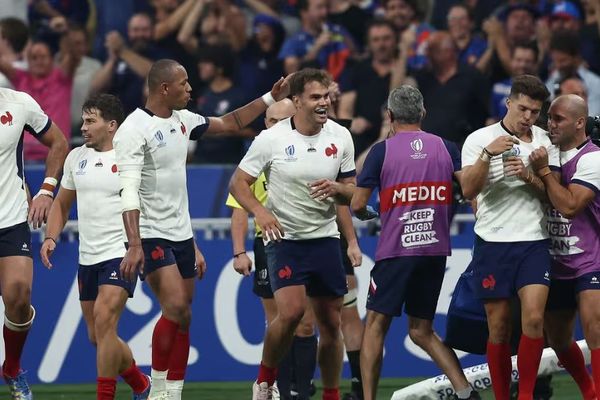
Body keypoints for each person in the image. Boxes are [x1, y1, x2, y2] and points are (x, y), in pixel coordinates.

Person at [113, 58, 290, 400]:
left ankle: (173, 391)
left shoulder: (183, 121)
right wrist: (134, 244)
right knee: (176, 307)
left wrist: (268, 99)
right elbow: (129, 191)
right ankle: (159, 387)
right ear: (164, 88)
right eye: (184, 83)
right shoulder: (134, 129)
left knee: (184, 315)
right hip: (150, 233)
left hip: (181, 233)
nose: (190, 89)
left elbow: (231, 121)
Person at [229, 68, 356, 400]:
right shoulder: (271, 139)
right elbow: (237, 184)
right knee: (291, 312)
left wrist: (339, 189)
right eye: (315, 97)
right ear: (296, 100)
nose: (323, 102)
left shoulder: (341, 136)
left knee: (330, 325)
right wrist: (260, 211)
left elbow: (353, 193)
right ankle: (265, 380)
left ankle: (330, 393)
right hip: (285, 241)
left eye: (326, 96)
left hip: (326, 239)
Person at [350, 85, 478, 400]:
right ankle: (465, 392)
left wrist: (372, 211)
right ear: (422, 113)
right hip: (434, 250)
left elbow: (356, 205)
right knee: (422, 330)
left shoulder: (382, 151)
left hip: (396, 250)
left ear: (389, 116)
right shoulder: (448, 148)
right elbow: (469, 189)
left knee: (375, 326)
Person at [40, 94, 152, 400]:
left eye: (91, 121)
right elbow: (62, 205)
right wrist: (51, 236)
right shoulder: (77, 158)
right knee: (98, 336)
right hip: (87, 257)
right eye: (84, 120)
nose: (84, 126)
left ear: (112, 125)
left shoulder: (132, 158)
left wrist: (138, 244)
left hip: (121, 253)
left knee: (104, 321)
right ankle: (141, 384)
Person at [460, 74, 559, 400]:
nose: (528, 117)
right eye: (523, 108)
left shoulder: (545, 141)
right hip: (493, 242)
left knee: (533, 319)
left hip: (534, 241)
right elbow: (468, 190)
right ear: (508, 102)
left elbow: (555, 196)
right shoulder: (479, 139)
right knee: (499, 328)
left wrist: (530, 176)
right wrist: (488, 155)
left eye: (535, 111)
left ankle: (527, 395)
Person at [226, 98, 318, 400]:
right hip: (269, 245)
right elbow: (239, 208)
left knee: (305, 323)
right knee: (278, 320)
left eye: (283, 121)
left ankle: (300, 388)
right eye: (270, 121)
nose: (276, 127)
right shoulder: (256, 155)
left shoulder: (307, 150)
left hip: (307, 240)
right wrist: (239, 251)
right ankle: (275, 385)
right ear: (264, 124)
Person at [529, 94, 600, 400]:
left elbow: (570, 205)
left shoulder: (593, 158)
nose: (550, 124)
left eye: (559, 119)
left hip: (590, 260)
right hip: (555, 262)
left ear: (580, 122)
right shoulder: (549, 154)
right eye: (550, 118)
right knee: (557, 339)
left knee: (595, 330)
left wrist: (543, 173)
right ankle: (588, 388)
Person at [0, 87, 69, 398]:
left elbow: (59, 142)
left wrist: (45, 189)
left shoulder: (20, 103)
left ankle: (12, 368)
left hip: (10, 218)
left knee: (18, 295)